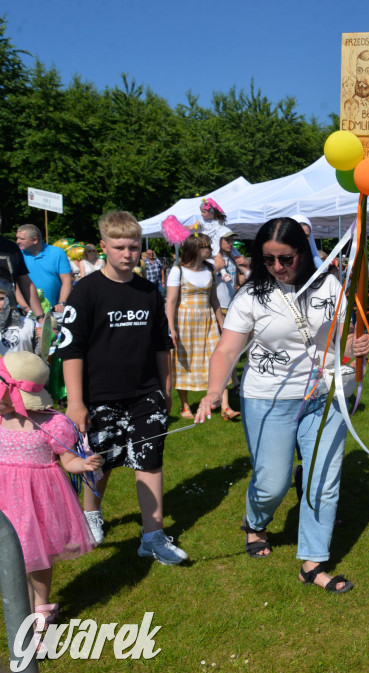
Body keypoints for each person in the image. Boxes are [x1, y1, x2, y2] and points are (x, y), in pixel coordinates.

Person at [195, 217, 369, 589]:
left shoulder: (330, 285)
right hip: (268, 399)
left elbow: (340, 339)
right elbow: (226, 349)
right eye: (269, 259)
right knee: (272, 484)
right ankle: (256, 520)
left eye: (286, 258)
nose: (277, 266)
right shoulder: (251, 295)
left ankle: (313, 562)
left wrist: (356, 346)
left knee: (323, 480)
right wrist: (213, 391)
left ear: (302, 253)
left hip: (325, 395)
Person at [57, 211, 186, 565]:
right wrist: (76, 402)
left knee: (150, 462)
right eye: (119, 247)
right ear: (103, 246)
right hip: (99, 396)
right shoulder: (85, 292)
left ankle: (153, 537)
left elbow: (162, 346)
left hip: (146, 394)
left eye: (133, 247)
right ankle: (91, 516)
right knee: (100, 461)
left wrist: (166, 390)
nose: (128, 254)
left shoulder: (148, 292)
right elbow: (71, 350)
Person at [0, 352, 102, 634]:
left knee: (38, 553)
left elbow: (68, 460)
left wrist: (83, 464)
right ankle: (19, 604)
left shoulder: (52, 423)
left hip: (38, 501)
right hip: (5, 499)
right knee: (11, 554)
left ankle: (41, 605)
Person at [165, 233, 234, 420]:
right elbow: (171, 301)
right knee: (184, 362)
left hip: (207, 320)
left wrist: (221, 323)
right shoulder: (178, 271)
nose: (211, 250)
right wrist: (171, 327)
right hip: (184, 321)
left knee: (218, 358)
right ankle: (185, 406)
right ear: (195, 249)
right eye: (207, 247)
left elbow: (214, 299)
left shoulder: (210, 269)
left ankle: (225, 406)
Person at [16, 224, 72, 314]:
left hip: (54, 309)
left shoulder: (57, 253)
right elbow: (14, 285)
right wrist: (26, 308)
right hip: (26, 310)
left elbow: (67, 280)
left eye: (21, 239)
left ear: (35, 240)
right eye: (17, 238)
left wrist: (62, 303)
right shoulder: (17, 254)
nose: (17, 241)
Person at [213, 230, 250, 314]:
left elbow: (240, 281)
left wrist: (247, 266)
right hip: (217, 306)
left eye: (232, 240)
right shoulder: (212, 259)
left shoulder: (233, 259)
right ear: (218, 240)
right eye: (227, 240)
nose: (231, 243)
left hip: (231, 305)